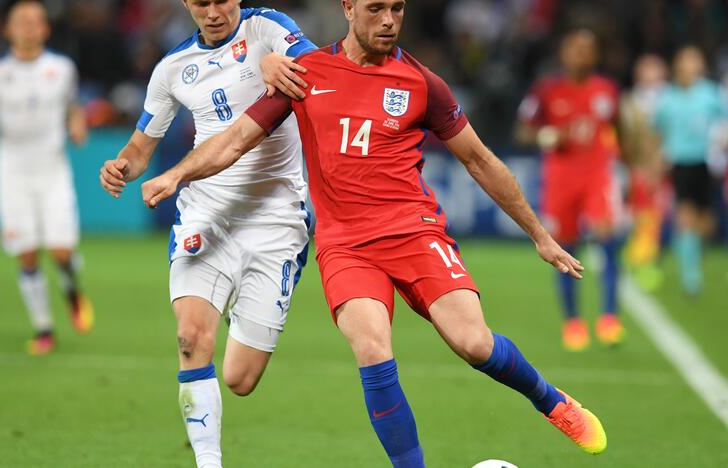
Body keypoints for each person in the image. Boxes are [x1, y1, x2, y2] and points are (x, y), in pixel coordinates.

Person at [139, 0, 607, 465]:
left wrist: (540, 236)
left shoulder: (423, 83)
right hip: (345, 247)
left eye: (397, 10)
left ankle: (553, 402)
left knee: (474, 343)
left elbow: (479, 160)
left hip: (414, 233)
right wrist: (178, 174)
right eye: (376, 9)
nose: (388, 21)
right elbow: (236, 139)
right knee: (372, 349)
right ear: (348, 8)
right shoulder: (306, 73)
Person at [99, 1, 315, 467]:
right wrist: (122, 167)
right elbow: (140, 146)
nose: (213, 11)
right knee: (191, 338)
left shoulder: (268, 27)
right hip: (205, 214)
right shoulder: (172, 68)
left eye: (221, 0)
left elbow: (318, 67)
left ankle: (247, 307)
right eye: (201, 2)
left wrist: (278, 62)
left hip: (275, 221)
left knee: (240, 378)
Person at [0, 0, 93, 356]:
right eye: (21, 21)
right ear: (7, 29)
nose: (28, 27)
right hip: (13, 172)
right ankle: (44, 328)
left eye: (35, 21)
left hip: (53, 169)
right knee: (27, 253)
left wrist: (77, 124)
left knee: (61, 250)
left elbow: (73, 107)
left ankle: (71, 289)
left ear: (45, 29)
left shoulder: (62, 69)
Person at [517, 30, 624, 351]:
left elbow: (621, 130)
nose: (581, 55)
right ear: (564, 54)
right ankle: (573, 322)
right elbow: (523, 131)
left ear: (595, 55)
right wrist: (550, 137)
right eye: (575, 49)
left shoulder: (606, 90)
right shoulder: (547, 90)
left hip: (597, 177)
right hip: (561, 180)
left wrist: (631, 165)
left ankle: (609, 319)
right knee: (565, 248)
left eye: (587, 49)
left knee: (607, 238)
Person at [653, 46, 728, 295]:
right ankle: (690, 275)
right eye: (685, 60)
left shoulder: (709, 94)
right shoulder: (668, 98)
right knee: (685, 214)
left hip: (705, 162)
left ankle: (689, 251)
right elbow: (657, 130)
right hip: (680, 161)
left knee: (706, 223)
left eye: (694, 60)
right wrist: (657, 157)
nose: (689, 65)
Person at [619, 54, 669, 291]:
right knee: (641, 213)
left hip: (665, 166)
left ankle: (646, 258)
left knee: (657, 213)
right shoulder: (629, 101)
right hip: (637, 167)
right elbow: (624, 137)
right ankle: (641, 259)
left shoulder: (670, 98)